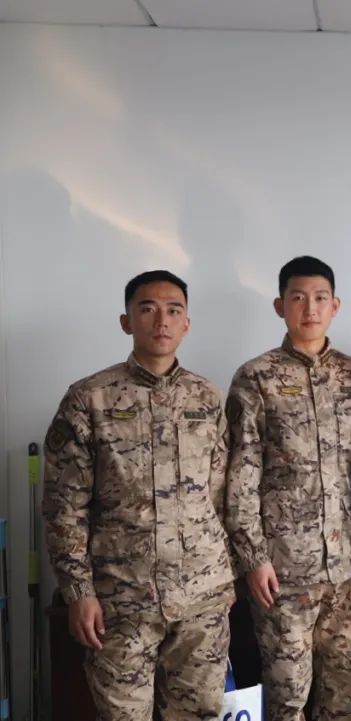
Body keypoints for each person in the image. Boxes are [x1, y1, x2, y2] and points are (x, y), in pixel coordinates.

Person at [43, 270, 234, 720]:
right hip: (121, 600)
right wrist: (78, 591)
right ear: (126, 321)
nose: (161, 321)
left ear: (186, 323)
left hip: (202, 599)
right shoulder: (89, 399)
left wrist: (225, 580)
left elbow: (222, 496)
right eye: (147, 309)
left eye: (173, 310)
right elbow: (64, 507)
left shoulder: (206, 398)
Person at [225, 256, 351, 721]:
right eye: (297, 298)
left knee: (342, 696)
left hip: (347, 572)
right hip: (284, 572)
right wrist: (253, 558)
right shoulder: (256, 377)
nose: (309, 308)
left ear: (335, 305)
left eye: (319, 298)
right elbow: (241, 473)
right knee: (287, 697)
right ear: (280, 306)